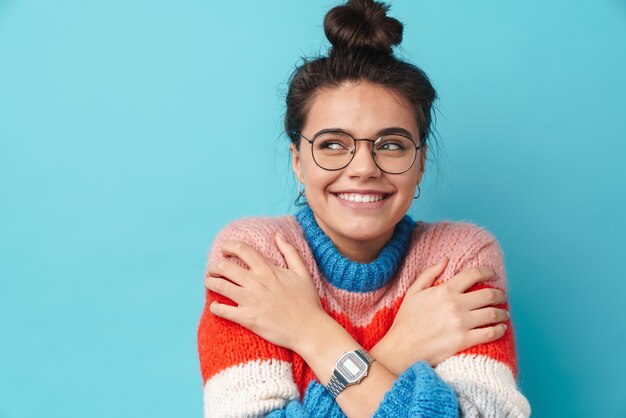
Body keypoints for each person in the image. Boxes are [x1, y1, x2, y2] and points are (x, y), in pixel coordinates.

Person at [197, 0, 532, 416]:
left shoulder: (459, 260)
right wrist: (403, 344)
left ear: (421, 163)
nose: (363, 169)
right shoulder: (255, 258)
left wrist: (308, 331)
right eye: (332, 145)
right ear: (298, 162)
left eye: (390, 145)